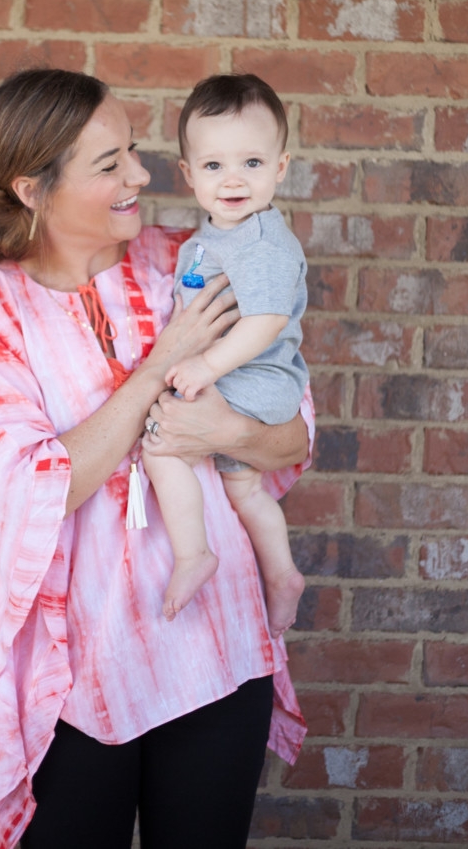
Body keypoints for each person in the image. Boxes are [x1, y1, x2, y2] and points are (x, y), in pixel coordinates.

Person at [0, 68, 315, 849]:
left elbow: (290, 436)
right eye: (109, 162)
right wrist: (159, 369)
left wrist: (213, 429)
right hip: (80, 670)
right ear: (34, 187)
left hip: (216, 648)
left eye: (137, 152)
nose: (140, 175)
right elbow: (38, 483)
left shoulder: (186, 258)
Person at [142, 74, 307, 633]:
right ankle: (282, 574)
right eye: (214, 166)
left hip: (254, 378)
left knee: (162, 449)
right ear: (188, 174)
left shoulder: (261, 242)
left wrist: (205, 365)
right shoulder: (210, 238)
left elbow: (266, 322)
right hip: (251, 380)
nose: (233, 179)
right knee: (244, 487)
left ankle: (194, 555)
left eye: (252, 164)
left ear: (280, 167)